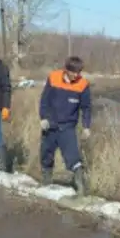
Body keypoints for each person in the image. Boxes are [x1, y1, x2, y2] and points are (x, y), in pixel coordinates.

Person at [39, 56, 91, 195]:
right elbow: (44, 101)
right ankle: (46, 181)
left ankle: (80, 187)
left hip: (68, 126)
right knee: (46, 153)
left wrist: (86, 126)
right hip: (50, 124)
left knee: (73, 156)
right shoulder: (53, 78)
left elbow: (86, 107)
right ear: (66, 70)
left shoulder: (83, 84)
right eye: (73, 72)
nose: (76, 75)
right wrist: (43, 118)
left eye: (79, 72)